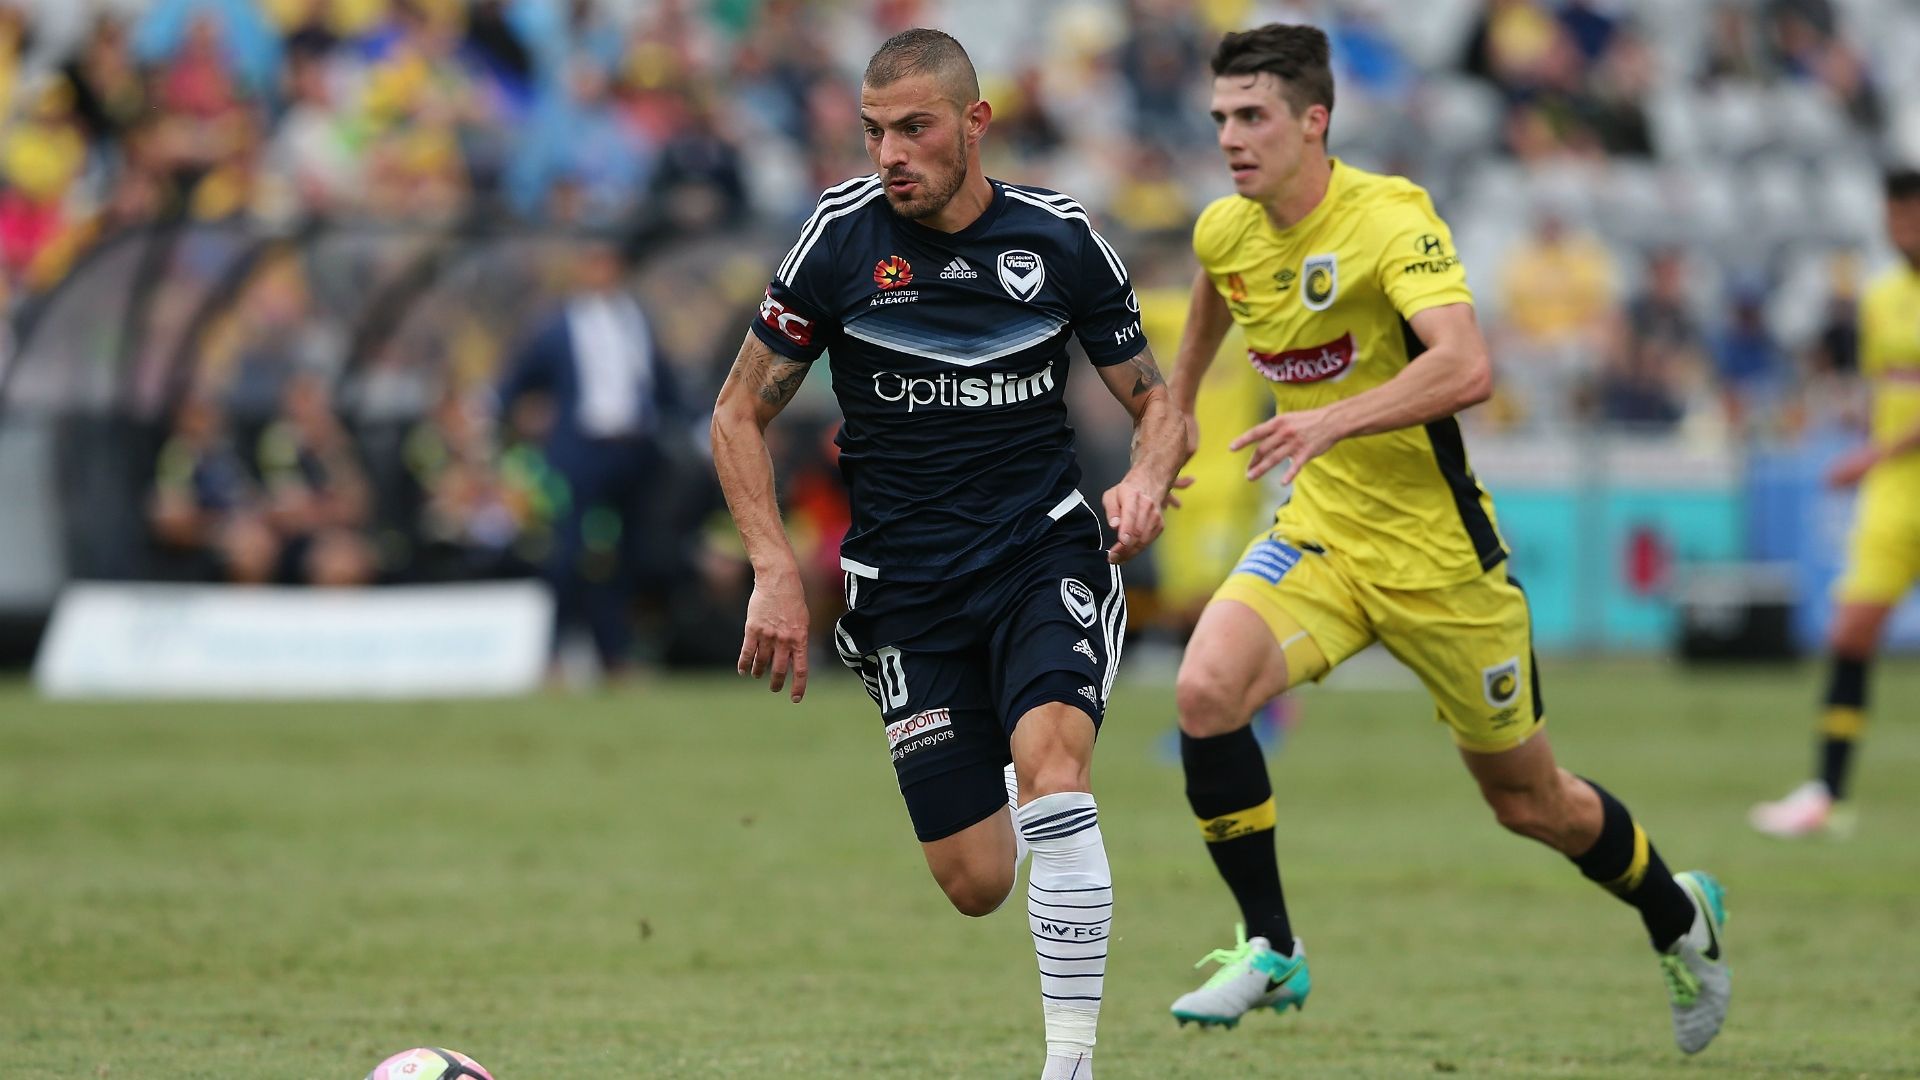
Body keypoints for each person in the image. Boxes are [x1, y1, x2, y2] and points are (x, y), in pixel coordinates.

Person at [1162, 24, 1729, 1055]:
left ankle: (1677, 913)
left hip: (1440, 564)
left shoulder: (1389, 218)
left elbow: (1467, 368)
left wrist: (1328, 419)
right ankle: (1271, 944)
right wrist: (1168, 429)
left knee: (1531, 803)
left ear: (1313, 122)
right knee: (1204, 691)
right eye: (1220, 119)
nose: (1232, 139)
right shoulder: (1225, 231)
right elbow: (1204, 319)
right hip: (1324, 537)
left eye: (1253, 118)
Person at [709, 29, 1183, 1080]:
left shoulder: (1057, 239)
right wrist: (776, 568)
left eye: (914, 129)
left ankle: (1071, 1065)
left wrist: (1146, 477)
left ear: (975, 125)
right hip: (905, 592)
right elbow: (737, 411)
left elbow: (1156, 401)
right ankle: (1020, 789)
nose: (890, 153)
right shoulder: (837, 241)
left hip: (1041, 554)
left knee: (1056, 767)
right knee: (976, 880)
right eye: (874, 131)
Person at [1751, 168, 1920, 838]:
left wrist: (1870, 456)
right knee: (1850, 634)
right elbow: (1888, 392)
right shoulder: (1881, 298)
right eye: (1895, 216)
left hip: (1883, 470)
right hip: (1894, 496)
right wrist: (1866, 440)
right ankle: (1826, 793)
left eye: (1912, 215)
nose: (1901, 227)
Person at [497, 239, 679, 678]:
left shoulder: (637, 320)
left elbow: (664, 385)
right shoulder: (556, 326)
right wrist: (517, 423)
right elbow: (516, 383)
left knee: (629, 555)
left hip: (633, 448)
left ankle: (616, 654)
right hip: (580, 451)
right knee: (568, 554)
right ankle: (554, 655)